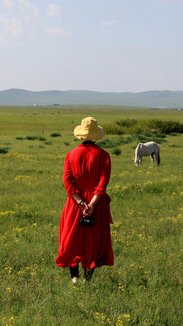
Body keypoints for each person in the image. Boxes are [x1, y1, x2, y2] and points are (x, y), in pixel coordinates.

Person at [56, 117, 114, 283]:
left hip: (75, 203)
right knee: (93, 240)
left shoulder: (71, 155)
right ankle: (87, 280)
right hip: (96, 204)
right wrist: (92, 205)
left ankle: (74, 277)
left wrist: (81, 203)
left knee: (71, 239)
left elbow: (68, 182)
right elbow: (102, 184)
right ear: (96, 136)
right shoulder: (104, 156)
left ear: (81, 136)